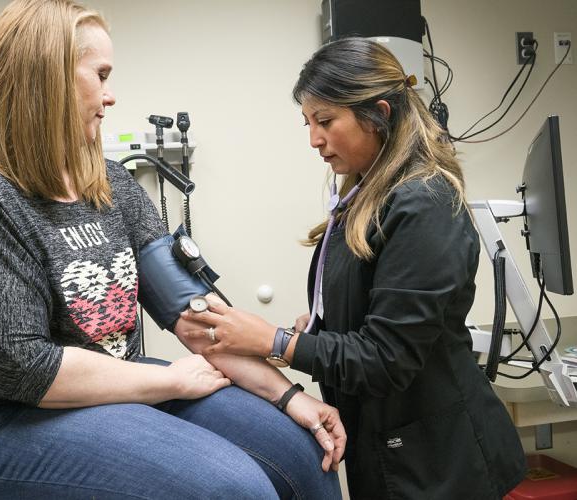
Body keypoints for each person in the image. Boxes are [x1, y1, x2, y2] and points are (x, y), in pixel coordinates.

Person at [0, 1, 345, 498]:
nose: (111, 95)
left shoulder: (108, 182)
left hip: (115, 391)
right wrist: (170, 382)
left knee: (304, 455)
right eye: (100, 74)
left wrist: (288, 396)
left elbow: (196, 317)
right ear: (46, 79)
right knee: (234, 489)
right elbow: (25, 369)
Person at [180, 37, 527, 499]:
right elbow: (369, 302)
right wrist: (321, 324)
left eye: (325, 121)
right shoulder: (365, 196)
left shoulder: (424, 203)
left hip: (441, 463)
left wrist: (277, 342)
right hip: (388, 444)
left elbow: (387, 358)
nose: (314, 139)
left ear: (379, 114)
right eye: (307, 122)